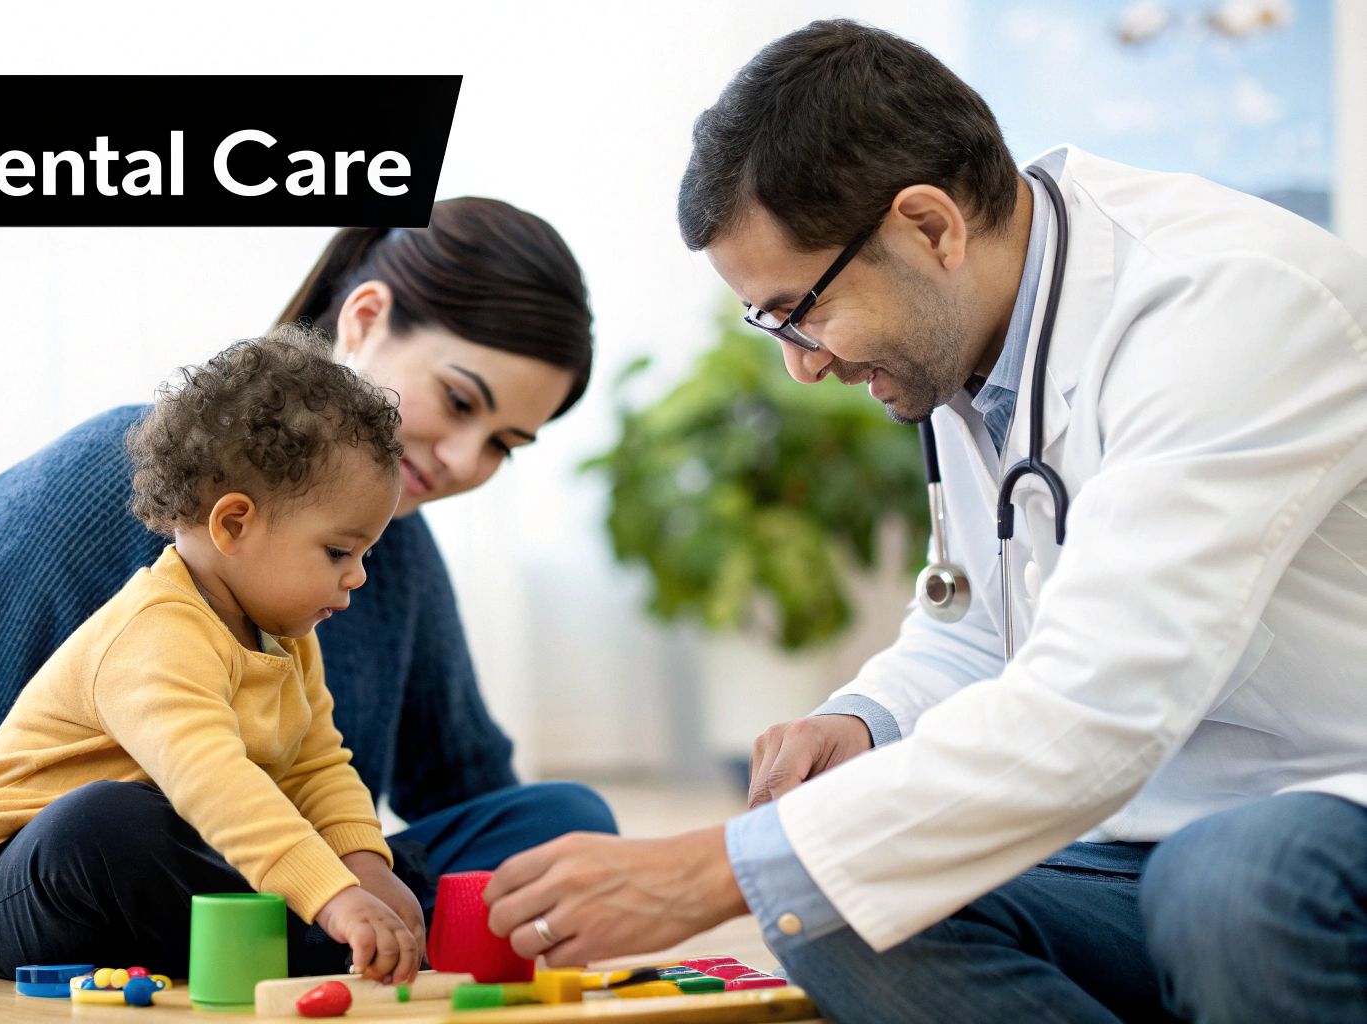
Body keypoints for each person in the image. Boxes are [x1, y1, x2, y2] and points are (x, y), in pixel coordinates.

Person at [484, 21, 1367, 1024]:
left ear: (929, 227)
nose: (800, 363)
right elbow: (980, 626)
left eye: (800, 310)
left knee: (1228, 887)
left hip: (1319, 817)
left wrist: (708, 867)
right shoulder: (963, 341)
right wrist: (864, 718)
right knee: (829, 910)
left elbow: (1094, 704)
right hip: (1132, 844)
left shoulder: (1228, 309)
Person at [0, 197, 618, 981]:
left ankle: (339, 949)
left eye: (505, 444)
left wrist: (388, 874)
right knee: (109, 823)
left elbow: (455, 786)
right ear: (366, 317)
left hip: (262, 884)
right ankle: (332, 951)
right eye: (461, 402)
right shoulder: (88, 492)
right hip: (84, 889)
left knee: (564, 825)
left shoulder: (391, 551)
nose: (467, 463)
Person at [0, 330, 425, 982]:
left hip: (165, 866)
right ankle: (313, 942)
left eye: (367, 555)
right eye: (339, 552)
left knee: (397, 863)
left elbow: (317, 765)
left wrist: (363, 867)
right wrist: (333, 896)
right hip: (26, 882)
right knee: (110, 821)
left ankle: (309, 938)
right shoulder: (156, 632)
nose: (358, 576)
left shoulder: (288, 636)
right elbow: (213, 780)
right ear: (234, 525)